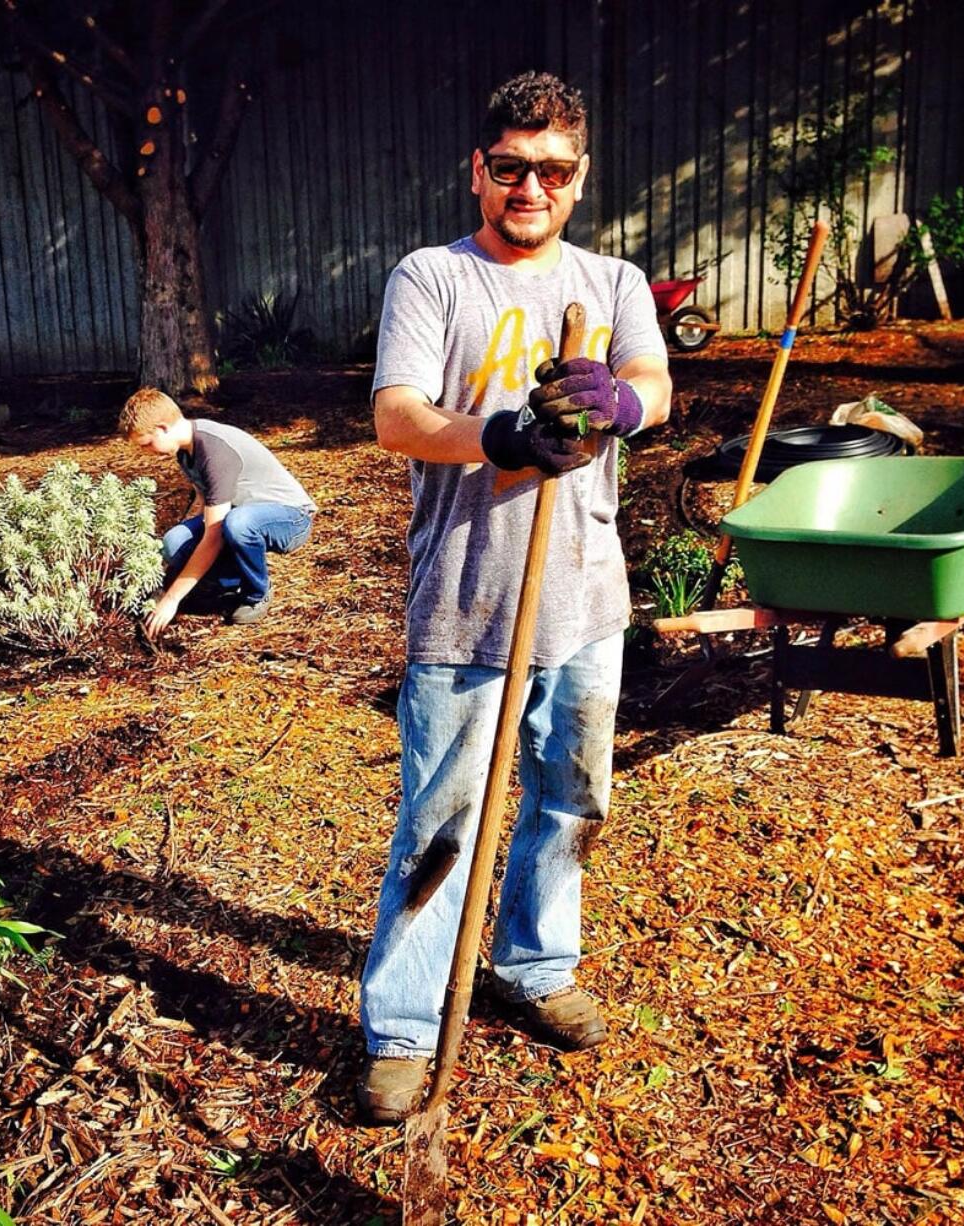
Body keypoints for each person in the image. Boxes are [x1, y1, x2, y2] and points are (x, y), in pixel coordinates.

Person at [356, 70, 672, 1124]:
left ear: (577, 177)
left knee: (572, 798)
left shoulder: (612, 279)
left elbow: (654, 388)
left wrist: (623, 400)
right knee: (441, 817)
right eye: (508, 167)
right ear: (478, 171)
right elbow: (396, 417)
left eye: (550, 169)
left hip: (585, 599)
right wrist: (495, 435)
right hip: (465, 600)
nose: (527, 185)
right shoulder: (429, 279)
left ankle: (536, 964)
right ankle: (403, 1023)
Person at [119, 388, 316, 636]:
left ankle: (257, 593)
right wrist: (164, 577)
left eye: (147, 444)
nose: (147, 452)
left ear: (162, 428)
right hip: (243, 513)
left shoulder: (213, 451)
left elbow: (214, 536)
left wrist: (171, 599)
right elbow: (204, 506)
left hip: (291, 517)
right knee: (174, 541)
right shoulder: (184, 451)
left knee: (237, 525)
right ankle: (232, 584)